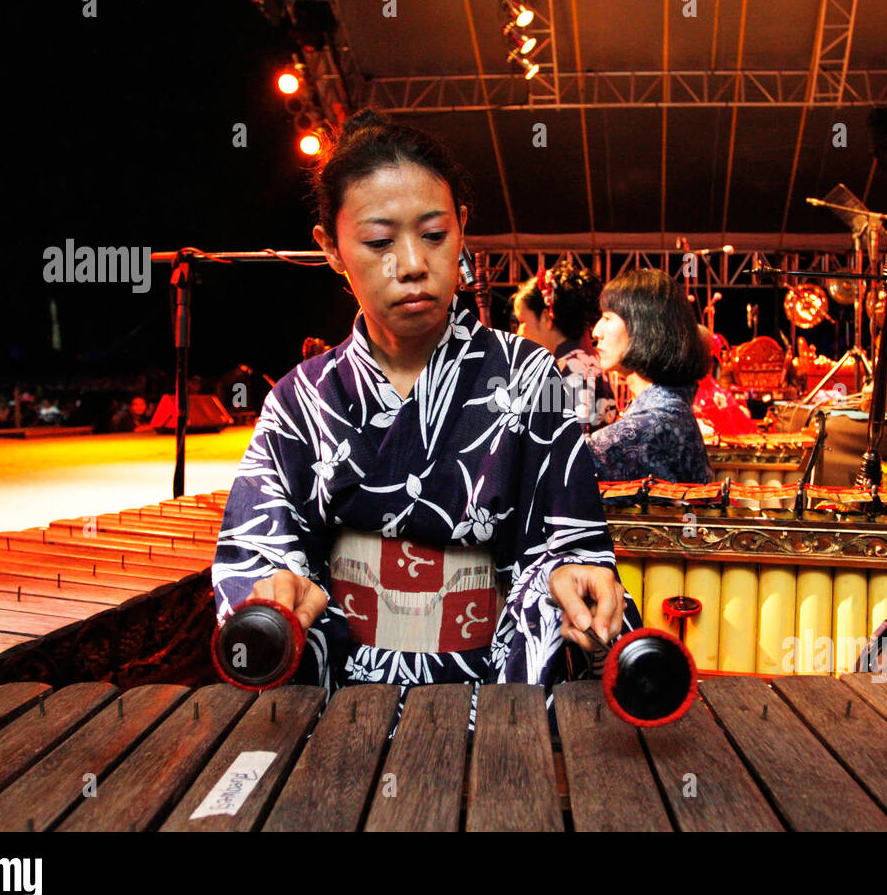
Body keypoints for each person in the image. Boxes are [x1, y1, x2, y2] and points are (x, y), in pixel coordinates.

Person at [211, 110, 632, 706]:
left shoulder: (537, 379)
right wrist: (276, 591)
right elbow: (258, 550)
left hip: (496, 698)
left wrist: (576, 582)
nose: (411, 264)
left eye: (434, 235)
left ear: (462, 228)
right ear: (330, 247)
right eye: (379, 242)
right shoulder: (298, 402)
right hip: (340, 706)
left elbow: (571, 543)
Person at [587, 268, 713, 483]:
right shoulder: (668, 408)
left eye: (607, 318)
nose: (596, 331)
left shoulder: (655, 421)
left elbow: (566, 462)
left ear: (643, 326)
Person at [512, 261, 617, 432]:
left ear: (546, 318)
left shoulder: (567, 368)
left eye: (522, 322)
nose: (519, 332)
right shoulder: (589, 359)